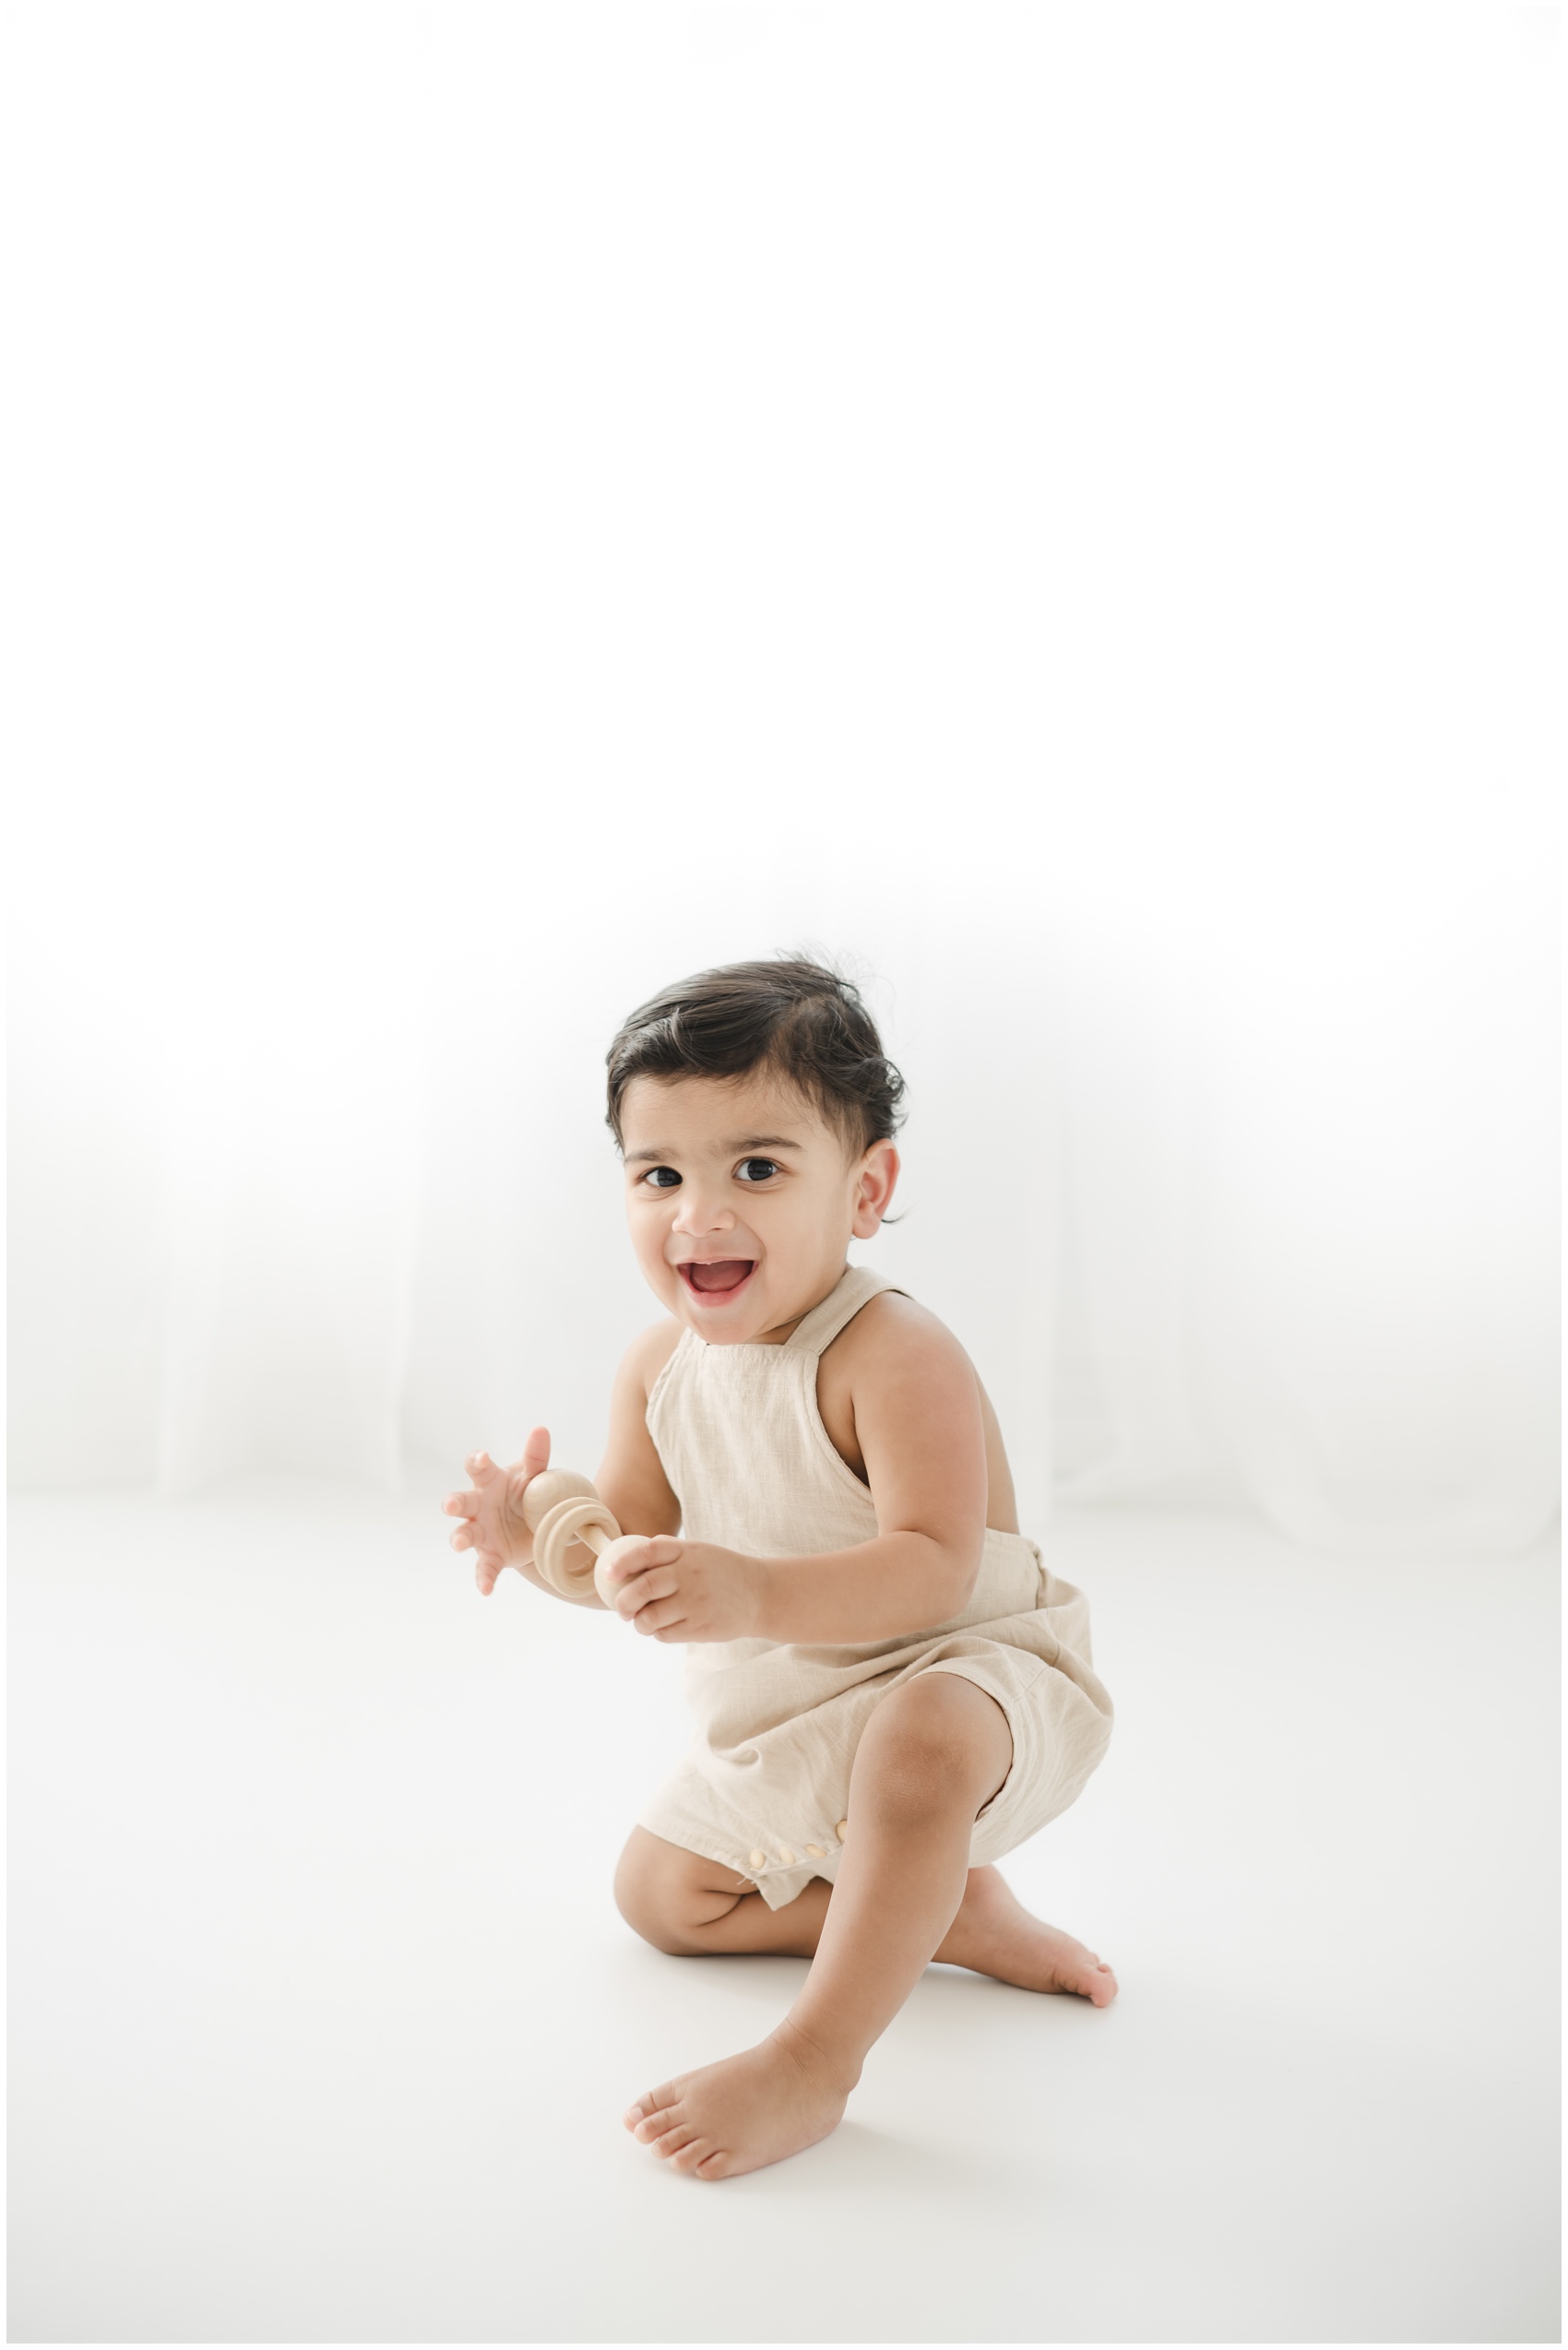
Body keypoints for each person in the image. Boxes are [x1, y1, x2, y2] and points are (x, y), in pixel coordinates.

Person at [443, 955, 1116, 2181]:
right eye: (661, 1175)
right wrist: (539, 1542)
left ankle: (816, 2060)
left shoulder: (892, 1352)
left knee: (916, 1745)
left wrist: (749, 1594)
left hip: (971, 1685)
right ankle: (939, 1907)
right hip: (799, 1709)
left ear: (865, 1191)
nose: (699, 1215)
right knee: (662, 1898)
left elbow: (929, 1569)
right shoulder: (656, 1370)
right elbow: (631, 1562)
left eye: (756, 1168)